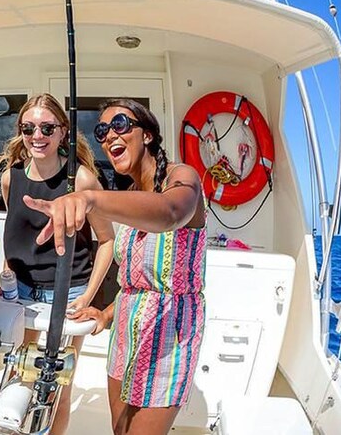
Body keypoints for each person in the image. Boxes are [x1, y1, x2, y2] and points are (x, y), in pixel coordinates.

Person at [24, 99, 206, 435]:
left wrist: (89, 198)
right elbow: (135, 279)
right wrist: (105, 314)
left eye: (120, 125)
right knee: (119, 431)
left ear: (147, 135)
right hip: (125, 330)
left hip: (170, 335)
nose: (109, 136)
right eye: (102, 131)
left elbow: (169, 213)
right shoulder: (133, 194)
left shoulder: (181, 177)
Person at [0, 93, 115, 435]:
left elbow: (106, 241)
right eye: (28, 128)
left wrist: (88, 296)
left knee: (59, 382)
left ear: (63, 132)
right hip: (23, 293)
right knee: (20, 373)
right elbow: (17, 228)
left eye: (47, 127)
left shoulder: (83, 180)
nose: (37, 136)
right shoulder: (9, 178)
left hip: (70, 292)